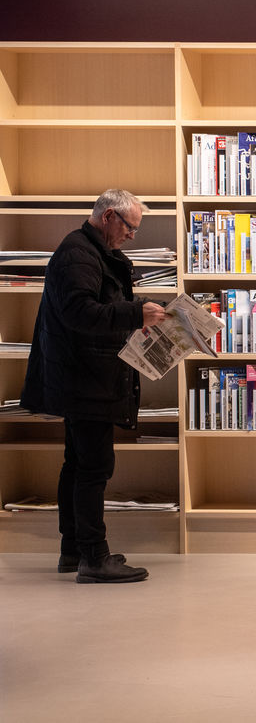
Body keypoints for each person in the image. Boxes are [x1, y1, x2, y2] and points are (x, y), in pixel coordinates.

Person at [21, 189, 167, 584]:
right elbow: (79, 311)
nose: (133, 236)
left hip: (84, 376)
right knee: (93, 467)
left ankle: (74, 550)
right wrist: (136, 314)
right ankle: (94, 557)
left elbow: (98, 303)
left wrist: (138, 312)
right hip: (84, 379)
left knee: (78, 464)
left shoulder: (89, 251)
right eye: (130, 227)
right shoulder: (78, 253)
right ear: (108, 218)